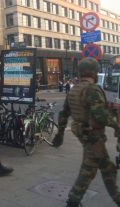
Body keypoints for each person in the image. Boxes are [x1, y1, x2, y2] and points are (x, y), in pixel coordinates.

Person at [52, 57, 120, 207]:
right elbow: (100, 116)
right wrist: (117, 125)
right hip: (93, 135)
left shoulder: (75, 89)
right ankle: (73, 201)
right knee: (90, 170)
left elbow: (64, 113)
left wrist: (60, 134)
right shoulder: (92, 88)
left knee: (106, 168)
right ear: (94, 72)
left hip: (83, 133)